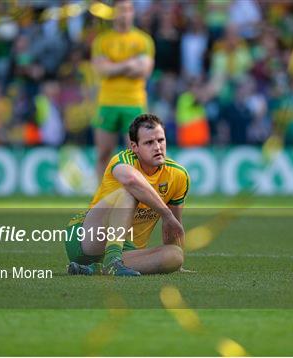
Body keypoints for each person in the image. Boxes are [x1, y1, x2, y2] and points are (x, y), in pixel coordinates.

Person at [66, 114, 189, 276]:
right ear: (134, 147)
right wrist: (165, 213)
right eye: (149, 143)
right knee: (129, 192)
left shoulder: (178, 175)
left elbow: (173, 226)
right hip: (88, 237)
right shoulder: (122, 160)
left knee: (175, 255)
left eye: (161, 140)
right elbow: (131, 180)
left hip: (129, 250)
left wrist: (175, 261)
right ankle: (112, 261)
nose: (157, 147)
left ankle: (94, 270)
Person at [91, 0, 155, 180]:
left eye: (128, 10)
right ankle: (101, 199)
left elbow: (144, 70)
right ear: (113, 13)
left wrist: (114, 66)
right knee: (104, 153)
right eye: (121, 10)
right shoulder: (102, 41)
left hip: (134, 103)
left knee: (136, 156)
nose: (125, 14)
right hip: (108, 102)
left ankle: (135, 200)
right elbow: (102, 70)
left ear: (132, 12)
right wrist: (130, 63)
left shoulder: (143, 40)